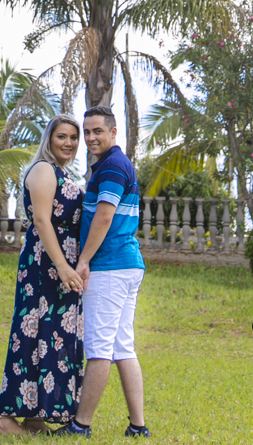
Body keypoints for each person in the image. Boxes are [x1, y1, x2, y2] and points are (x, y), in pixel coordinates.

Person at [56, 105, 150, 439]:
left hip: (110, 266)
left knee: (98, 349)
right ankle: (138, 426)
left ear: (113, 132)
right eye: (87, 132)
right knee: (123, 347)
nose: (91, 137)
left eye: (98, 131)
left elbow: (105, 216)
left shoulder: (112, 166)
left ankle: (80, 425)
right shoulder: (114, 164)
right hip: (127, 264)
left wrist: (83, 261)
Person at [0, 114, 86, 435]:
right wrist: (62, 266)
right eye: (62, 136)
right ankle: (4, 420)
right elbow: (43, 221)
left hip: (60, 264)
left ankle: (35, 417)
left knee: (50, 336)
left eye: (73, 137)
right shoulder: (44, 169)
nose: (69, 143)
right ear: (49, 139)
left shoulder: (63, 172)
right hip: (46, 265)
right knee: (33, 333)